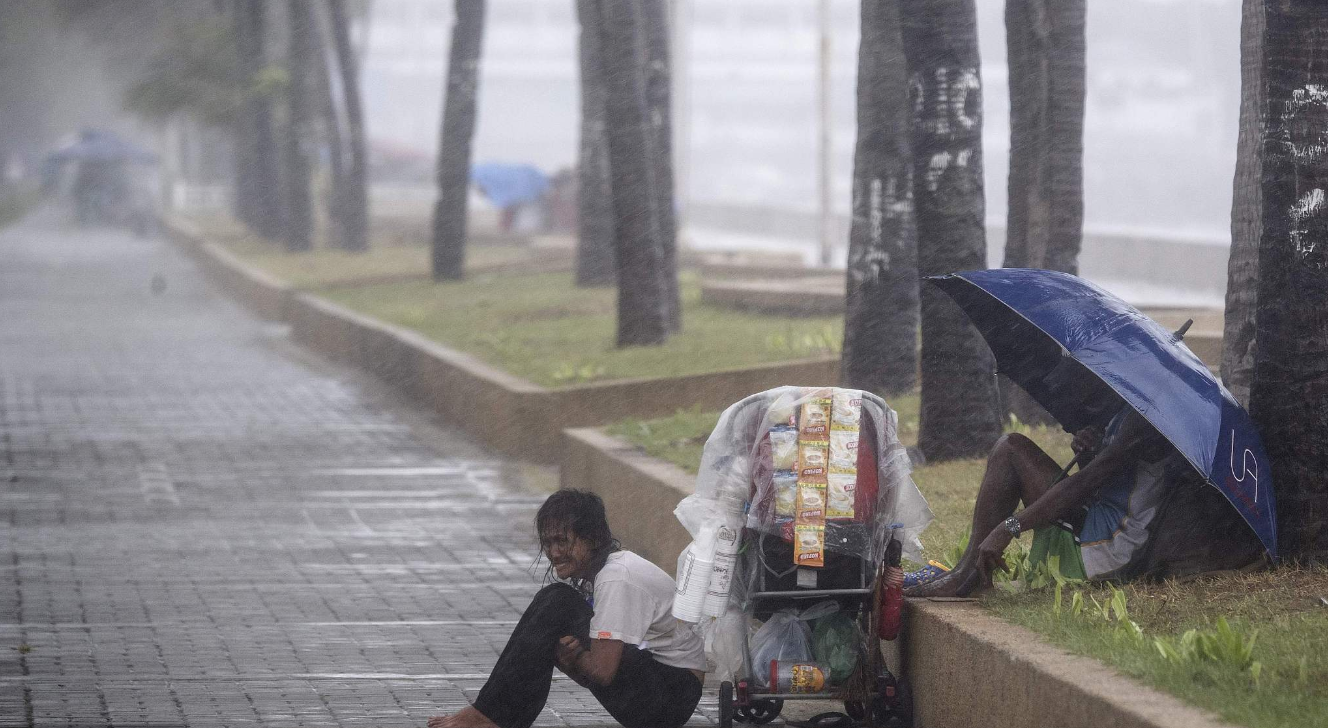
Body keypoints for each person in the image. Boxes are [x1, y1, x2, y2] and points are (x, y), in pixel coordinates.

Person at [429, 489, 706, 728]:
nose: (553, 553)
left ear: (592, 539)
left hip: (669, 698)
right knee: (553, 604)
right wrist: (572, 660)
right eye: (548, 543)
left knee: (557, 602)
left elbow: (603, 672)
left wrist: (577, 658)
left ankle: (490, 716)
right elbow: (595, 676)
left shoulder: (616, 577)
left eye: (562, 541)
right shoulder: (602, 574)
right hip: (663, 695)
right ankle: (496, 715)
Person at [906, 367, 1187, 598]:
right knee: (1010, 447)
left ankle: (968, 573)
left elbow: (1083, 485)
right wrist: (1089, 454)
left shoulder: (1143, 420)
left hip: (1107, 550)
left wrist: (1009, 527)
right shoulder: (1125, 410)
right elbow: (1108, 482)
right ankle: (966, 569)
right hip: (1097, 521)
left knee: (1011, 449)